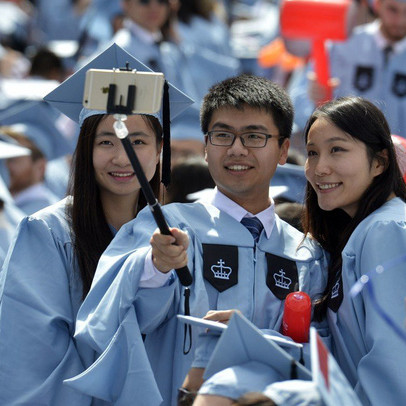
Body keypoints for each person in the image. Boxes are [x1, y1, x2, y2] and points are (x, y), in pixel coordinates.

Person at [67, 74, 328, 406]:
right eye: (222, 135)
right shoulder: (166, 228)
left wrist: (256, 340)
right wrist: (155, 267)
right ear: (205, 148)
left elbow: (325, 356)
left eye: (254, 136)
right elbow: (113, 322)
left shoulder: (307, 255)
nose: (237, 149)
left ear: (283, 149)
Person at [0, 44, 192, 406]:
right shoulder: (48, 233)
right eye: (107, 141)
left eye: (138, 141)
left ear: (160, 150)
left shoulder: (179, 234)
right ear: (85, 149)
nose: (123, 157)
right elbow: (32, 357)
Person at [301, 96, 406, 405]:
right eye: (312, 153)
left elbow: (393, 357)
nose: (320, 168)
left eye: (337, 150)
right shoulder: (364, 230)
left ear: (379, 162)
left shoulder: (385, 229)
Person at [289, 0, 406, 139]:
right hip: (345, 149)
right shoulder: (340, 46)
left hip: (399, 154)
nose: (400, 20)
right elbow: (297, 109)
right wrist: (314, 100)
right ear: (378, 5)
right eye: (392, 10)